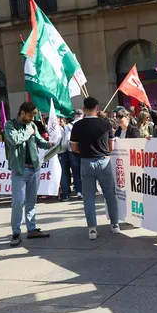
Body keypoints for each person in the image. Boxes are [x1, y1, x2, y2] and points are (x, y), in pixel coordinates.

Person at [70, 97, 120, 240]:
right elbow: (111, 147)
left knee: (89, 197)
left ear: (84, 109)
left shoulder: (77, 125)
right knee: (110, 194)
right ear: (97, 108)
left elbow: (74, 147)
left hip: (86, 162)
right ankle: (115, 225)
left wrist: (84, 152)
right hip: (103, 161)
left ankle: (92, 229)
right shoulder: (106, 124)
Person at [4, 102, 52, 246]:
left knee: (31, 201)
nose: (33, 118)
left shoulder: (32, 126)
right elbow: (14, 140)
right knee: (18, 202)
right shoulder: (10, 125)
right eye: (31, 115)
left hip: (34, 168)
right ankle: (16, 233)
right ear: (22, 112)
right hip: (20, 169)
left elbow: (39, 141)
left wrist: (50, 144)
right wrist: (28, 132)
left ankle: (32, 229)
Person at [64, 109, 84, 199]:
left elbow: (67, 140)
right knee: (84, 171)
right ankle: (86, 189)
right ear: (82, 115)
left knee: (75, 171)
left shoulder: (69, 125)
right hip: (84, 150)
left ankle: (79, 191)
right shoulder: (85, 123)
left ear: (74, 115)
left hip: (72, 151)